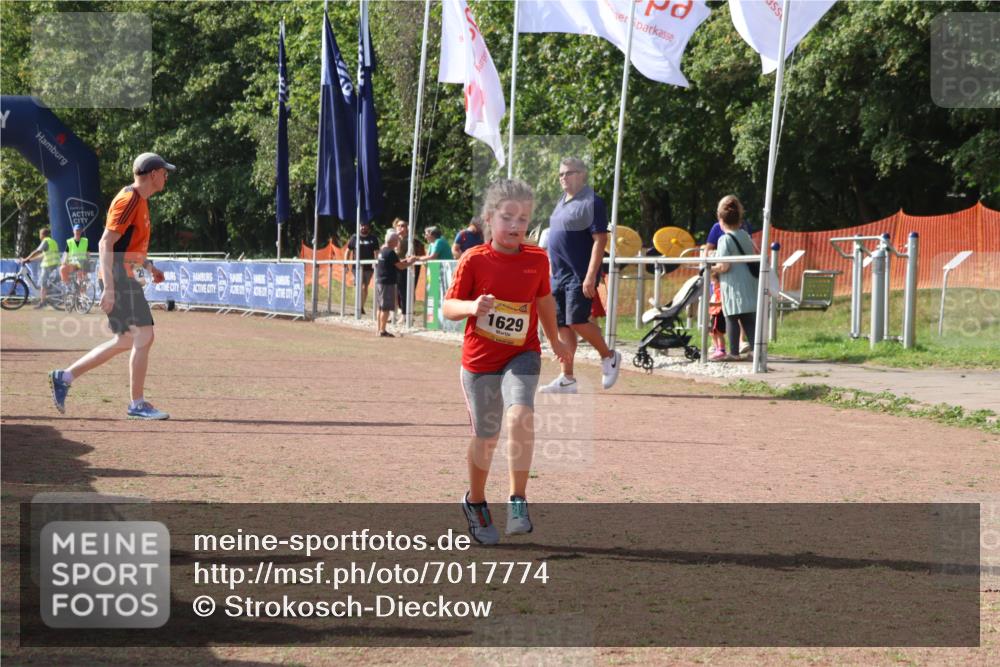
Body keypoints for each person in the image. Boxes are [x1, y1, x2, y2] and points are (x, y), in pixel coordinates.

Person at [443, 179, 569, 545]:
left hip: (522, 352)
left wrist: (555, 337)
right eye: (508, 217)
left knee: (521, 415)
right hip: (480, 361)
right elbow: (448, 307)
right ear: (489, 219)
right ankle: (476, 501)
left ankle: (517, 500)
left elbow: (544, 300)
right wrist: (472, 306)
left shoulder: (536, 259)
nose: (516, 226)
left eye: (523, 218)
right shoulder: (474, 260)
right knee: (487, 436)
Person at [48, 152, 175, 420]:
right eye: (164, 172)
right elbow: (105, 243)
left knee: (128, 339)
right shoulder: (130, 199)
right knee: (144, 336)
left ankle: (65, 376)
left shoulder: (139, 200)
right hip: (119, 275)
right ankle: (137, 404)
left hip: (123, 273)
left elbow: (127, 244)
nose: (166, 176)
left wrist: (150, 268)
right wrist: (109, 286)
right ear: (152, 174)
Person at [539, 157, 620, 393]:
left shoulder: (592, 202)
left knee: (577, 320)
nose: (563, 177)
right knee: (561, 324)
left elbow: (600, 239)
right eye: (561, 174)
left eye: (569, 173)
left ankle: (609, 356)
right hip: (559, 275)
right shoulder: (562, 201)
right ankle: (567, 378)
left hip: (579, 273)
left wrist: (590, 275)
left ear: (582, 174)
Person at [710, 195, 758, 361]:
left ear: (721, 221)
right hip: (750, 282)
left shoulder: (724, 239)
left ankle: (734, 353)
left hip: (733, 284)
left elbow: (724, 266)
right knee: (748, 319)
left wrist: (710, 266)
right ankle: (756, 351)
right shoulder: (745, 235)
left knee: (731, 317)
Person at [375, 230, 416, 337]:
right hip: (388, 283)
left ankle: (379, 329)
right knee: (385, 308)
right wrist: (411, 262)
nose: (398, 242)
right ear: (393, 241)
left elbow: (396, 262)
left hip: (380, 281)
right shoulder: (391, 252)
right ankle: (382, 331)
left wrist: (407, 259)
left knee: (380, 307)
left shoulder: (382, 251)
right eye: (397, 240)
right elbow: (400, 266)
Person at [19, 228, 60, 309]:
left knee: (42, 283)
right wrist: (30, 260)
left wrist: (26, 259)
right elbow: (43, 255)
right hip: (55, 264)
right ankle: (47, 296)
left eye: (40, 234)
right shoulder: (53, 241)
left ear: (42, 235)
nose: (39, 236)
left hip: (48, 264)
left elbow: (36, 251)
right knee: (45, 283)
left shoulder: (45, 241)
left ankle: (42, 302)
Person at [393, 218, 424, 318]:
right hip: (396, 268)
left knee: (406, 290)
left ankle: (407, 313)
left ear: (407, 228)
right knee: (397, 290)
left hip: (409, 268)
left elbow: (420, 253)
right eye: (399, 226)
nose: (401, 228)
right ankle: (401, 311)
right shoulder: (393, 240)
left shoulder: (413, 241)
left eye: (403, 226)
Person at [345, 221, 379, 313]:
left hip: (369, 267)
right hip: (357, 267)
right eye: (362, 225)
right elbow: (348, 251)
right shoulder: (354, 238)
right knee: (359, 286)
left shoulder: (373, 238)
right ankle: (358, 307)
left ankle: (361, 306)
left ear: (368, 227)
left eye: (365, 225)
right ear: (359, 227)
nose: (363, 227)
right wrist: (345, 264)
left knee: (365, 287)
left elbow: (376, 252)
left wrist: (376, 264)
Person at [60, 223, 90, 291]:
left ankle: (82, 295)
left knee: (81, 277)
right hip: (73, 264)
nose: (78, 232)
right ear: (73, 231)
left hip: (82, 263)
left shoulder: (85, 241)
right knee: (62, 269)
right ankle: (68, 286)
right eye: (76, 230)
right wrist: (63, 262)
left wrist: (88, 262)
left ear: (81, 231)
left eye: (79, 230)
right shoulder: (70, 242)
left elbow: (88, 254)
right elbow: (66, 253)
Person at [707, 277, 728, 361]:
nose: (712, 283)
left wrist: (712, 304)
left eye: (713, 281)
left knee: (718, 332)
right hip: (713, 313)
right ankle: (717, 348)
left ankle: (721, 349)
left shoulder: (720, 290)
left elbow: (722, 302)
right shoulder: (714, 290)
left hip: (718, 312)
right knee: (712, 333)